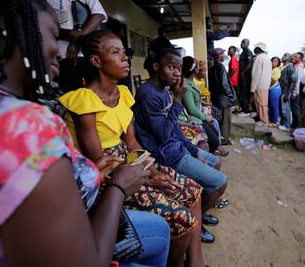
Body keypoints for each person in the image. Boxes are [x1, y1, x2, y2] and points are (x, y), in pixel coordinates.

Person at [0, 0, 170, 266]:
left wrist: (94, 171)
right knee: (161, 230)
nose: (57, 49)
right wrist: (119, 188)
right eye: (52, 33)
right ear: (8, 28)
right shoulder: (26, 126)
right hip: (83, 237)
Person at [59, 29, 205, 266]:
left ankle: (195, 261)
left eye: (124, 52)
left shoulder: (124, 94)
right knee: (183, 218)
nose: (125, 57)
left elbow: (132, 143)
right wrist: (146, 176)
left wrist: (152, 168)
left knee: (192, 190)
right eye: (116, 53)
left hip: (129, 159)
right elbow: (100, 161)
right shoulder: (84, 101)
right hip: (108, 174)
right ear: (96, 61)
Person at [134, 48, 229, 244]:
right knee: (220, 182)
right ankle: (196, 223)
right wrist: (177, 100)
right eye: (171, 68)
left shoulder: (164, 90)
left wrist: (194, 150)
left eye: (179, 68)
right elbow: (163, 135)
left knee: (216, 162)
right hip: (166, 155)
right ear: (156, 67)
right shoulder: (149, 94)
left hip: (176, 147)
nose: (177, 73)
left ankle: (200, 213)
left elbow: (174, 127)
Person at [42, 0, 108, 92]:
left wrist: (79, 38)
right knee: (71, 98)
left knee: (95, 95)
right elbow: (43, 25)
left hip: (86, 54)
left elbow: (99, 15)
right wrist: (73, 37)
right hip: (62, 56)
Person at [181, 56, 229, 156]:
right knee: (212, 139)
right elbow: (192, 109)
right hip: (193, 119)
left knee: (214, 131)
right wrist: (206, 118)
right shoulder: (185, 85)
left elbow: (196, 102)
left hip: (199, 116)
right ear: (194, 70)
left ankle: (215, 148)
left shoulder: (191, 82)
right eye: (198, 66)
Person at [208, 48, 237, 145]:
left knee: (219, 119)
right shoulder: (221, 67)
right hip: (223, 99)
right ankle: (224, 140)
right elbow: (225, 85)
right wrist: (232, 97)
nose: (224, 55)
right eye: (222, 54)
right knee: (225, 120)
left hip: (216, 98)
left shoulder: (212, 68)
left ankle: (220, 138)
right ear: (218, 56)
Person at [250, 42, 272, 124]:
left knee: (260, 104)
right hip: (265, 85)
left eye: (255, 48)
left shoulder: (259, 58)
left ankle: (264, 121)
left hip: (259, 85)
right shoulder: (267, 57)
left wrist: (252, 88)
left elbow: (256, 74)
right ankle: (263, 120)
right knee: (263, 104)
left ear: (259, 49)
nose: (254, 49)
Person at [278, 53, 297, 132]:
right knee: (282, 108)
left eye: (286, 55)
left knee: (286, 109)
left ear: (289, 58)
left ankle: (287, 125)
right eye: (283, 55)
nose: (283, 56)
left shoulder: (290, 67)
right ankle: (283, 123)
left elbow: (293, 81)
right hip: (281, 90)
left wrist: (287, 94)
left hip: (286, 91)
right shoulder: (282, 67)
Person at [238, 38, 254, 116]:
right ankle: (243, 109)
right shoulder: (243, 52)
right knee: (241, 92)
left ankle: (246, 111)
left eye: (244, 42)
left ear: (248, 44)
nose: (242, 43)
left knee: (245, 93)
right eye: (241, 42)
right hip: (242, 76)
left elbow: (250, 64)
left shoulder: (248, 52)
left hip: (246, 77)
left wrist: (243, 73)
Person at [291, 52, 305, 129]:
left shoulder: (299, 68)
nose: (293, 58)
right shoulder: (295, 66)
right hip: (295, 92)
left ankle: (299, 126)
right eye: (294, 56)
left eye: (296, 57)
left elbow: (298, 82)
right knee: (294, 109)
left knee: (296, 110)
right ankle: (294, 124)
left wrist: (295, 93)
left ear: (300, 59)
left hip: (297, 93)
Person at [268, 57, 282, 126]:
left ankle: (274, 121)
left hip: (275, 90)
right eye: (272, 61)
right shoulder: (271, 69)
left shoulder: (276, 69)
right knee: (271, 106)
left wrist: (267, 86)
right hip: (272, 90)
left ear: (278, 63)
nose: (273, 62)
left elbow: (274, 80)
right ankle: (271, 120)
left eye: (275, 61)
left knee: (274, 106)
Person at [228, 46, 241, 113]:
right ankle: (237, 108)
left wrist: (228, 77)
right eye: (229, 49)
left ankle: (237, 108)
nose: (229, 51)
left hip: (233, 80)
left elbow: (233, 70)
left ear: (234, 51)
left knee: (234, 95)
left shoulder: (233, 59)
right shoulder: (233, 59)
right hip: (234, 80)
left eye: (230, 49)